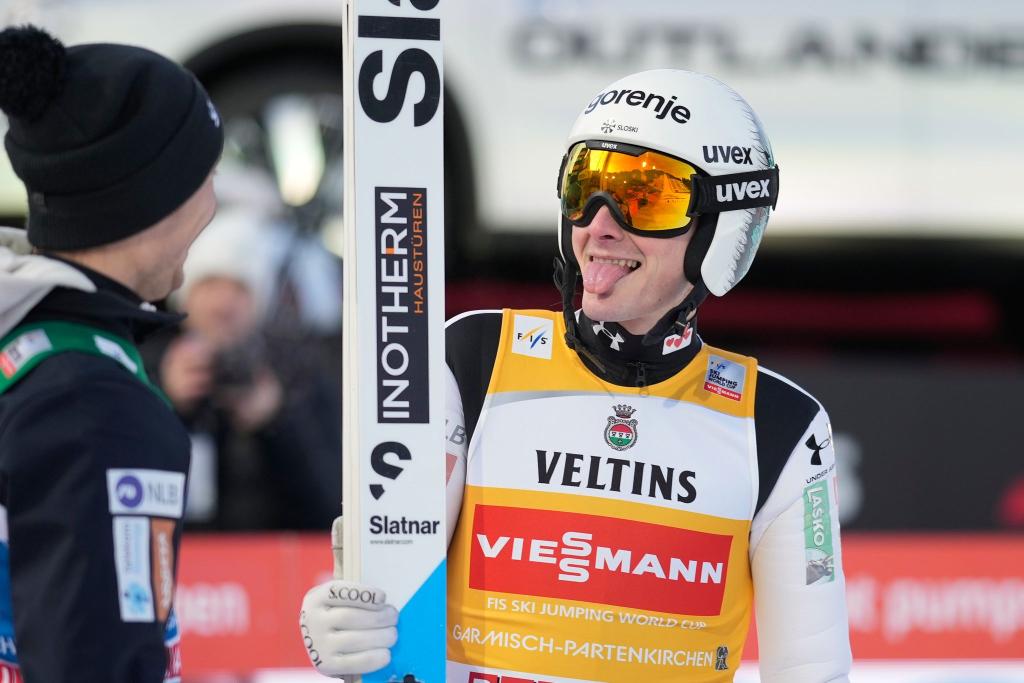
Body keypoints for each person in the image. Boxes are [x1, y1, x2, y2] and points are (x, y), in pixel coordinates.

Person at [301, 70, 852, 682]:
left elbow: (812, 670)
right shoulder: (474, 356)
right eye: (584, 186)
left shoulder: (779, 426)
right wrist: (347, 622)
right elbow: (392, 582)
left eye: (647, 199)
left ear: (721, 229)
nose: (601, 224)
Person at [0, 25, 222, 682]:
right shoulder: (93, 401)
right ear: (155, 200)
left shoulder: (25, 340)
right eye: (205, 172)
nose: (215, 198)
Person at [149, 207, 342, 530]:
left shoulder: (300, 376)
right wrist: (165, 400)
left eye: (239, 288)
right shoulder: (148, 365)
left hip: (275, 568)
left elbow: (333, 512)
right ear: (184, 296)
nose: (224, 304)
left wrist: (276, 420)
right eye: (210, 284)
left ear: (260, 302)